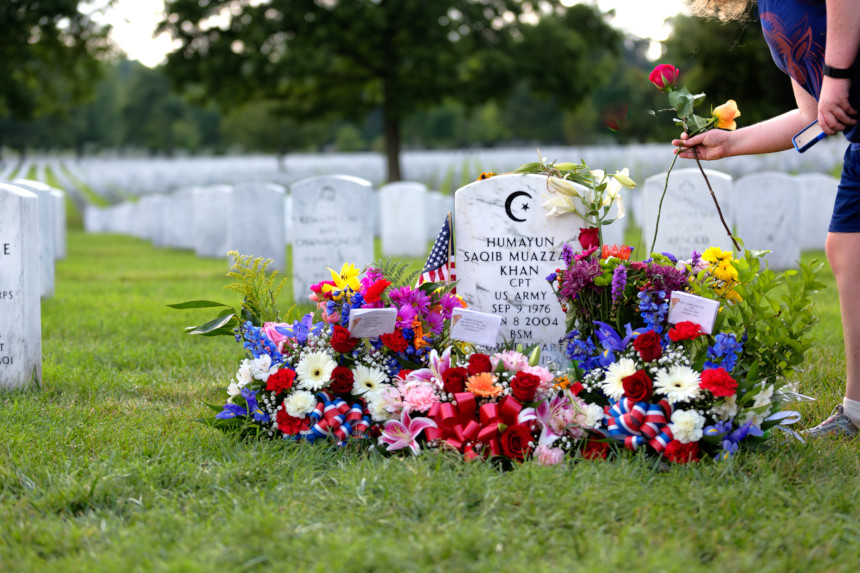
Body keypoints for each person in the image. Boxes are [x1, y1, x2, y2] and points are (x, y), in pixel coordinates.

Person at [674, 0, 860, 437]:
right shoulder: (768, 10)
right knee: (846, 248)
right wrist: (728, 144)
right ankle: (856, 410)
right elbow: (810, 115)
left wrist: (835, 76)